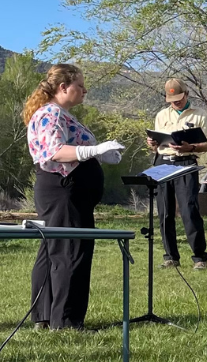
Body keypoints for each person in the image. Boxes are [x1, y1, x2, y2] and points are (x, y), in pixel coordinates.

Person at [23, 64, 124, 330]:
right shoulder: (52, 113)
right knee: (70, 251)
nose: (85, 90)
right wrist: (93, 151)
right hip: (63, 189)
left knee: (53, 249)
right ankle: (66, 321)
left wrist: (99, 154)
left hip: (64, 189)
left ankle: (45, 317)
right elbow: (54, 152)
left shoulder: (61, 114)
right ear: (63, 87)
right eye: (80, 85)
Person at [145, 78, 207, 270]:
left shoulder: (199, 115)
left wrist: (190, 147)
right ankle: (170, 256)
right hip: (164, 162)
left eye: (179, 99)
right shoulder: (161, 115)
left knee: (189, 210)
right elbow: (155, 142)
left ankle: (199, 257)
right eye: (172, 100)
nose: (176, 103)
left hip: (185, 162)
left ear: (186, 94)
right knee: (164, 211)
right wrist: (152, 143)